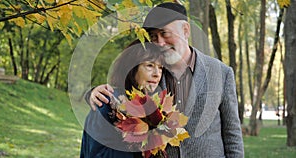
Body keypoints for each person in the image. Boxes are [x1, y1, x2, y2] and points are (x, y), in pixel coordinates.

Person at [86, 2, 244, 158]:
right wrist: (92, 93)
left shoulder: (221, 73)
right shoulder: (149, 75)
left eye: (165, 33)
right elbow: (122, 92)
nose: (160, 43)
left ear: (185, 30)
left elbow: (232, 135)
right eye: (154, 36)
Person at [80, 40, 175, 158]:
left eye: (160, 68)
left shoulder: (153, 108)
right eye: (149, 65)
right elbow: (95, 153)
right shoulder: (107, 101)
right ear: (131, 67)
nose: (157, 74)